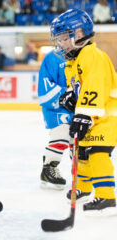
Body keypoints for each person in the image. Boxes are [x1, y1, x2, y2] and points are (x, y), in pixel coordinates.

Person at [51, 9, 117, 215]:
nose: (60, 43)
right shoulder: (73, 61)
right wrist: (71, 97)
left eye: (63, 38)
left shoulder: (93, 56)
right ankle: (84, 188)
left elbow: (95, 86)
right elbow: (79, 87)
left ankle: (107, 196)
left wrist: (84, 113)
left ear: (78, 34)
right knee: (82, 155)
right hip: (92, 117)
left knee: (98, 153)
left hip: (106, 117)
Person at [38, 50, 73, 190]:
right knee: (61, 133)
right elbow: (44, 86)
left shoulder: (82, 55)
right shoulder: (52, 58)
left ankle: (82, 173)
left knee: (77, 138)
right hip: (56, 107)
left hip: (77, 105)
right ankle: (48, 168)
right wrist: (64, 96)